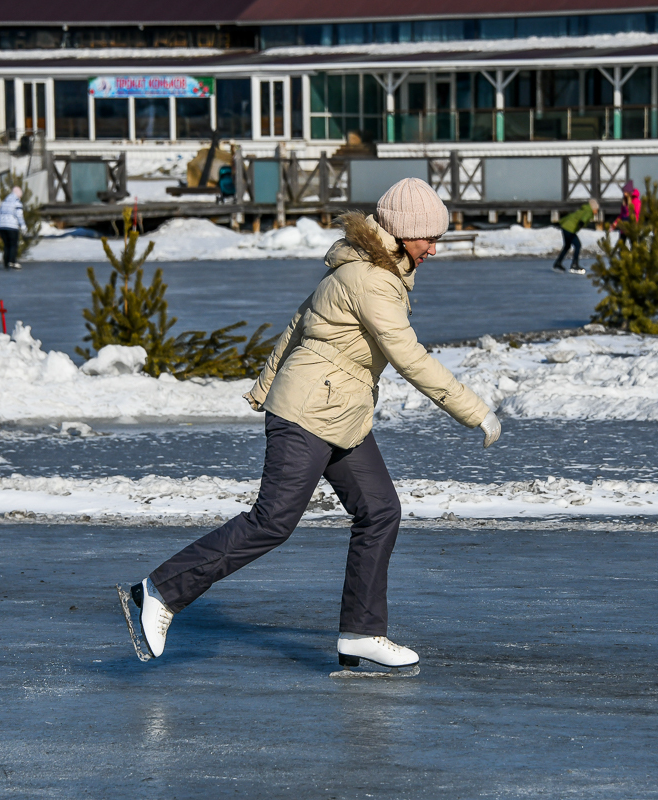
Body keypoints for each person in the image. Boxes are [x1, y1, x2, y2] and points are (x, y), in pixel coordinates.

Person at [122, 178, 501, 670]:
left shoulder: (363, 268)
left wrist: (266, 385)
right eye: (429, 237)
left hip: (338, 413)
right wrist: (474, 409)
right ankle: (162, 591)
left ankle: (361, 633)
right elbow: (409, 356)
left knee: (380, 510)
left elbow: (297, 325)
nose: (434, 248)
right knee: (272, 521)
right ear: (405, 232)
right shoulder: (371, 279)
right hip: (310, 413)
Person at [553, 198, 599, 275]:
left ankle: (558, 263)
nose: (597, 211)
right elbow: (584, 218)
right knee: (578, 245)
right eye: (596, 209)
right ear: (593, 208)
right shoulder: (589, 211)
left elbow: (571, 216)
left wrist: (560, 222)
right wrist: (581, 223)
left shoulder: (583, 209)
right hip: (570, 229)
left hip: (565, 228)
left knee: (567, 246)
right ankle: (574, 265)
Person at [0, 186, 27, 270]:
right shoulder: (17, 202)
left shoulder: (4, 202)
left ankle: (6, 262)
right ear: (18, 194)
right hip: (12, 226)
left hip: (2, 226)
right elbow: (19, 215)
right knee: (13, 244)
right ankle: (12, 261)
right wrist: (23, 226)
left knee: (6, 245)